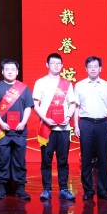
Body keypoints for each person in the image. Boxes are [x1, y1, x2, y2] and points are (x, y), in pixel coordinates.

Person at [32, 52, 77, 201]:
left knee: (63, 160)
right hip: (46, 128)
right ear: (47, 65)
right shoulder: (40, 82)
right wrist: (45, 119)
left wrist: (68, 117)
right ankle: (46, 189)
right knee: (46, 160)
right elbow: (35, 104)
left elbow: (72, 103)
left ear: (62, 66)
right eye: (53, 63)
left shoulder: (67, 84)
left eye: (59, 64)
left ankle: (64, 188)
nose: (56, 66)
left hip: (63, 128)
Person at [0, 59, 34, 200]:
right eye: (7, 69)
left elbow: (28, 107)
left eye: (13, 69)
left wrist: (23, 122)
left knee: (20, 160)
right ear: (2, 71)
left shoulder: (23, 88)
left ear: (17, 72)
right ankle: (1, 187)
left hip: (20, 131)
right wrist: (1, 122)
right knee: (2, 160)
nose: (10, 72)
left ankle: (20, 188)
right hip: (2, 131)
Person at [73, 55, 107, 201]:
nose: (93, 69)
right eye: (90, 67)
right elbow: (76, 107)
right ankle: (88, 190)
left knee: (103, 159)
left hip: (103, 124)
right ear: (86, 69)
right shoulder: (79, 85)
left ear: (100, 68)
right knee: (86, 159)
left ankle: (103, 190)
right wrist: (76, 125)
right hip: (85, 123)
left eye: (95, 66)